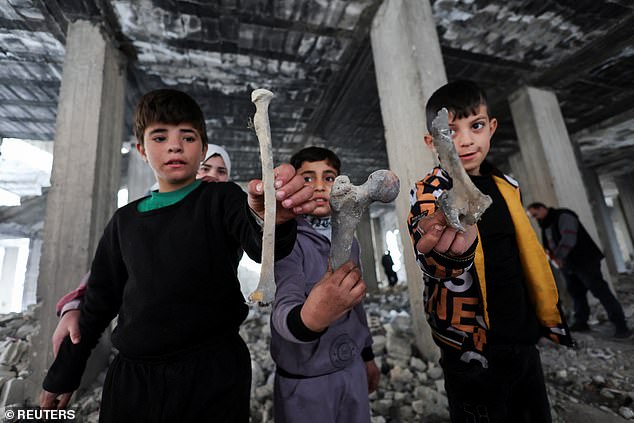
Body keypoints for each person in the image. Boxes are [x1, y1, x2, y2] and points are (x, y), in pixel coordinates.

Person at [39, 88, 316, 422]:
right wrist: (65, 371)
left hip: (214, 373)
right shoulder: (125, 221)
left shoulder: (222, 199)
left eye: (187, 137)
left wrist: (274, 219)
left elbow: (260, 246)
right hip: (134, 379)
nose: (174, 145)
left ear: (202, 148)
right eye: (159, 136)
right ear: (141, 149)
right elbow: (99, 301)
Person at [407, 80, 574, 422]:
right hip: (469, 345)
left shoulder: (507, 186)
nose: (466, 140)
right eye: (450, 131)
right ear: (431, 142)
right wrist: (448, 255)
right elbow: (433, 256)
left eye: (476, 126)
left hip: (522, 335)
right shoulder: (430, 192)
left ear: (491, 128)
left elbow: (524, 252)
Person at [51, 143, 235, 356]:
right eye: (205, 168)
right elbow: (108, 272)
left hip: (205, 348)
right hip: (148, 348)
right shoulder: (144, 214)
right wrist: (76, 305)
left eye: (221, 171)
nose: (212, 175)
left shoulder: (227, 219)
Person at [270, 146, 379, 423]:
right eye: (307, 178)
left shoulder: (350, 241)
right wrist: (309, 319)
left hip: (351, 368)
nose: (319, 186)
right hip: (305, 380)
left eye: (329, 178)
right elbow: (283, 306)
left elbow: (356, 304)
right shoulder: (286, 241)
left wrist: (366, 356)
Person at [526, 202, 631, 339]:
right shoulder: (547, 224)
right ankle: (581, 322)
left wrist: (558, 256)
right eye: (532, 216)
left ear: (542, 208)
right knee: (576, 294)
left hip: (584, 261)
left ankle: (621, 325)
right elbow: (550, 245)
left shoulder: (563, 216)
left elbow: (569, 238)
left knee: (600, 291)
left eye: (535, 214)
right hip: (569, 265)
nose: (536, 218)